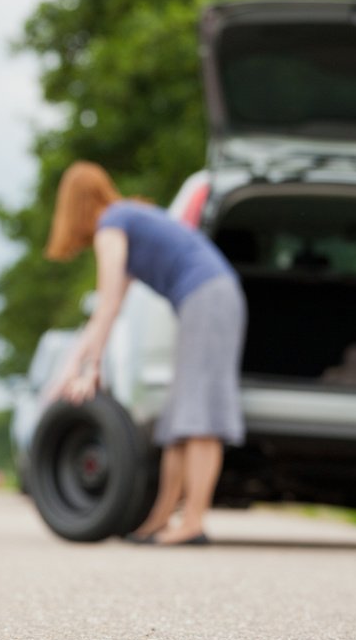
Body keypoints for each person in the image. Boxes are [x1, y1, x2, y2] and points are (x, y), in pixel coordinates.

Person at [43, 161, 246, 546]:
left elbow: (106, 306)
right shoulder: (129, 220)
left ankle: (193, 523)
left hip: (208, 299)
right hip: (204, 300)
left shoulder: (112, 225)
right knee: (178, 420)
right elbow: (105, 313)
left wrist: (91, 369)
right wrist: (68, 371)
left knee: (200, 417)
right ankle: (159, 520)